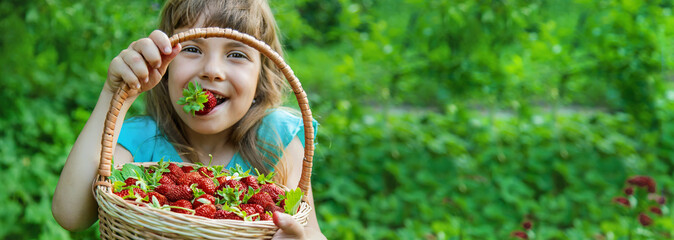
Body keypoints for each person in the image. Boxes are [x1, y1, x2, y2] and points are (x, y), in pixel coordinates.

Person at [52, 0, 326, 239]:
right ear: (164, 65)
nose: (212, 71)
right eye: (192, 49)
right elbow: (71, 215)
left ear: (261, 78)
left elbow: (311, 232)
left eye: (237, 54)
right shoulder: (141, 141)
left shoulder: (276, 139)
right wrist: (115, 94)